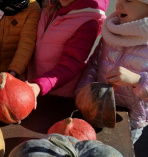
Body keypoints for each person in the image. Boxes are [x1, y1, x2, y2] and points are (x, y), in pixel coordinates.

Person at [75, 0, 148, 143]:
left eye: (128, 0)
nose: (118, 5)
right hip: (96, 110)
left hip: (129, 122)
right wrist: (83, 91)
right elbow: (93, 66)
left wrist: (138, 81)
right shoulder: (112, 33)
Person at [26, 0, 109, 101]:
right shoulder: (49, 6)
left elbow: (70, 65)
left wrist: (40, 85)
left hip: (59, 98)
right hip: (32, 88)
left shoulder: (87, 22)